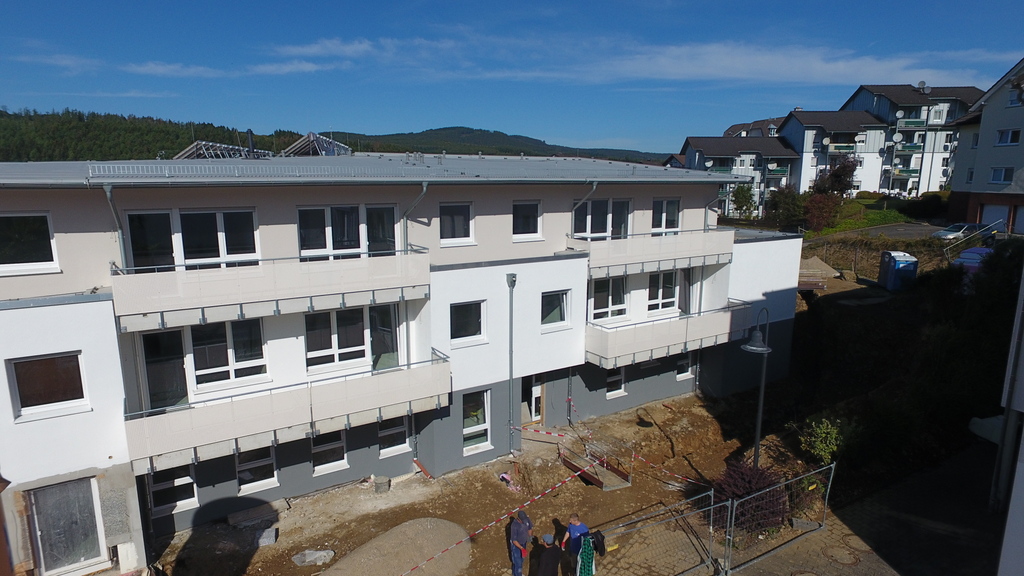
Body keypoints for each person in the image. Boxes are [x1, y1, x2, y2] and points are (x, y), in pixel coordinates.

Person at [510, 510, 532, 576]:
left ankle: (515, 572)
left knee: (522, 559)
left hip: (523, 543)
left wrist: (530, 536)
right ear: (519, 519)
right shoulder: (514, 525)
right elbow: (514, 540)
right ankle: (517, 574)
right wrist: (521, 548)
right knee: (518, 563)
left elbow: (530, 528)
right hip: (516, 546)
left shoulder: (527, 519)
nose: (524, 522)